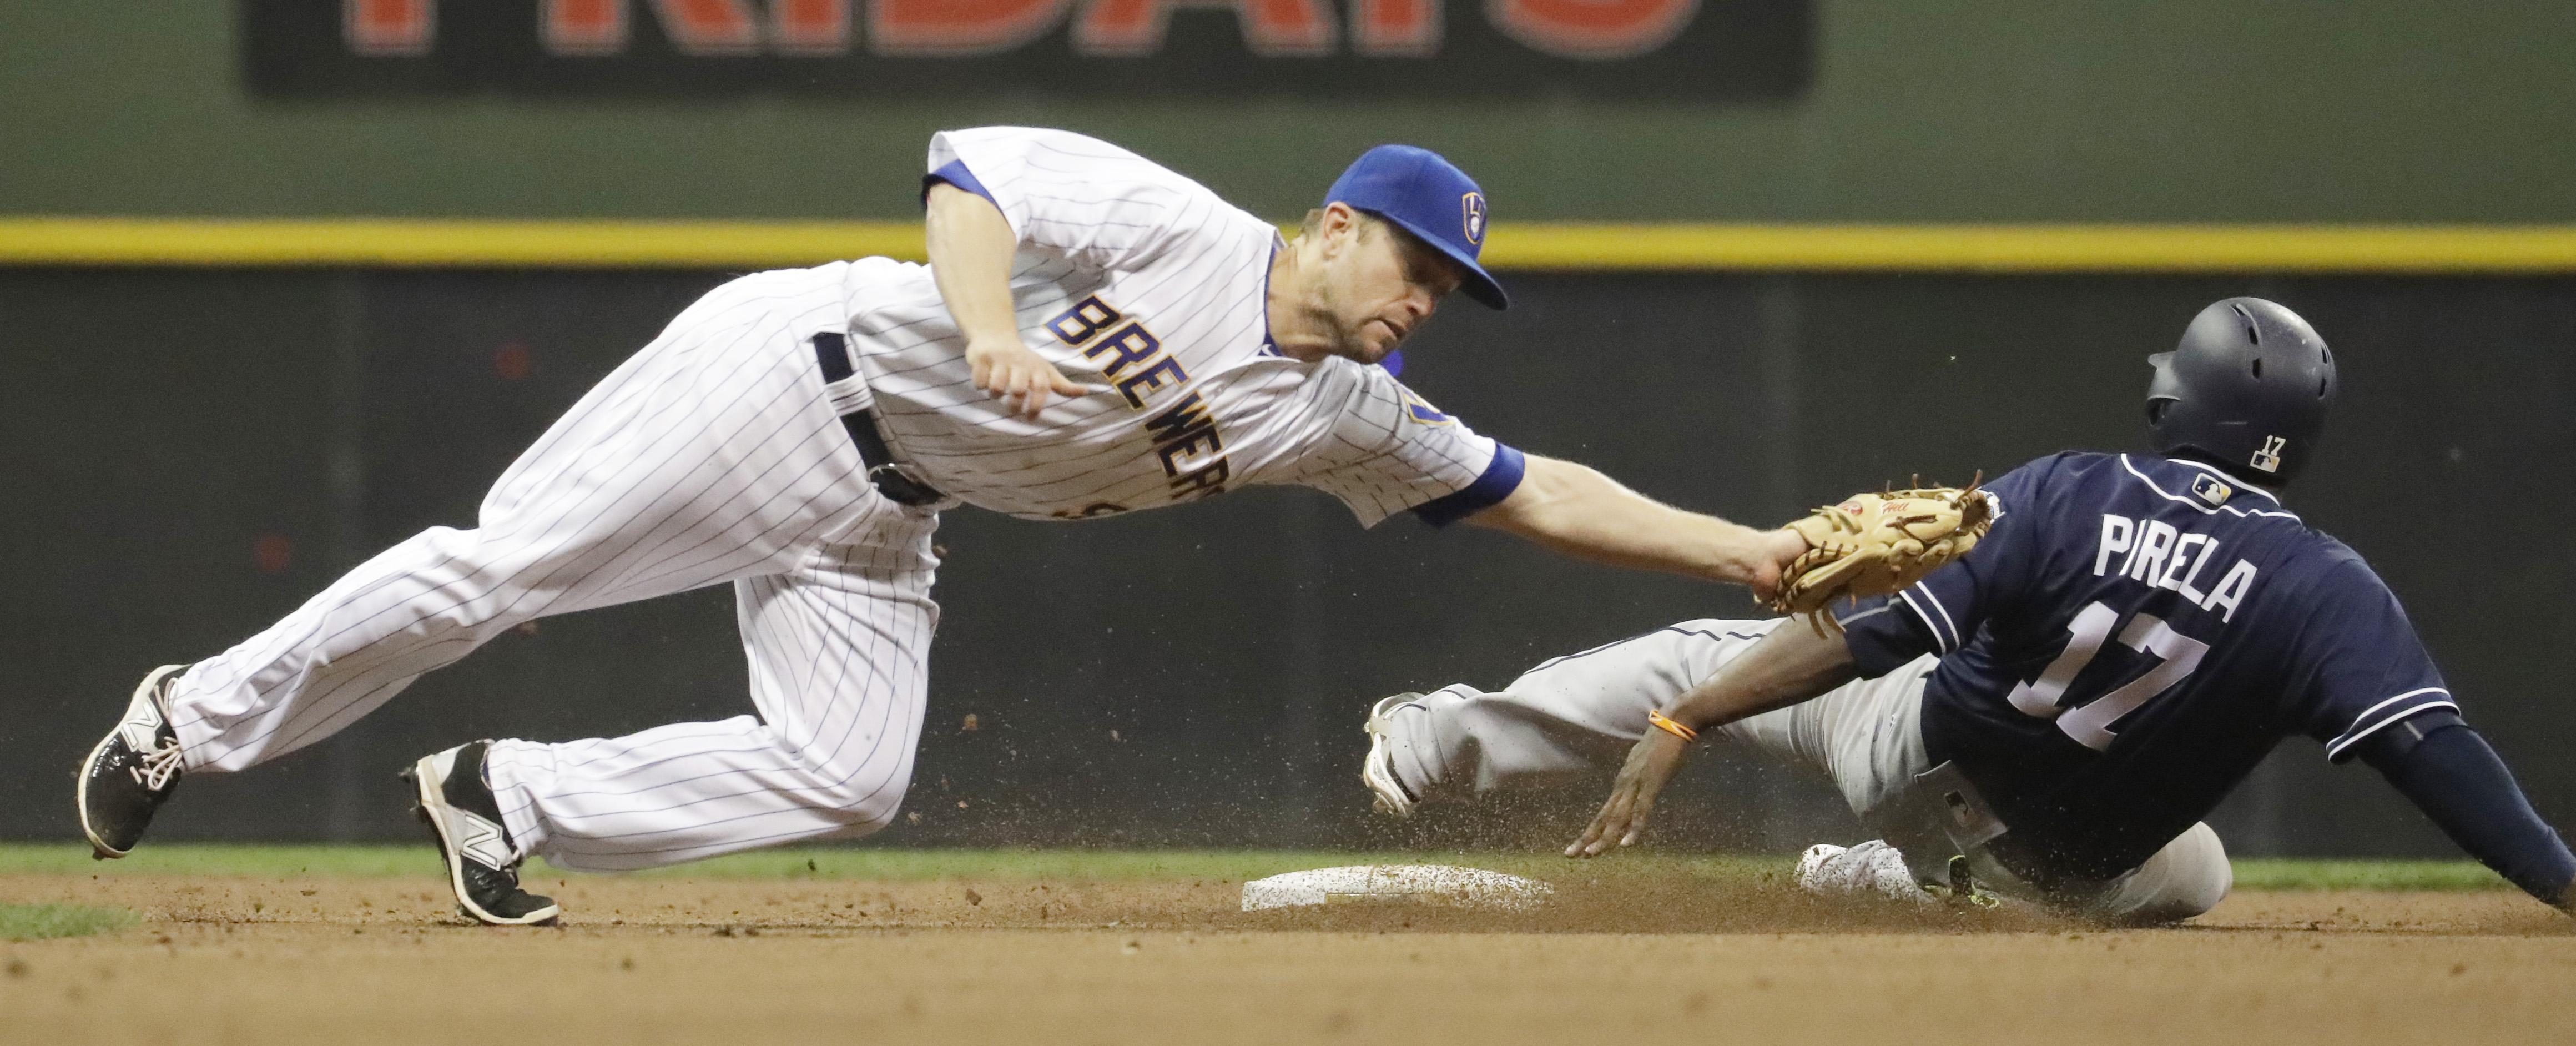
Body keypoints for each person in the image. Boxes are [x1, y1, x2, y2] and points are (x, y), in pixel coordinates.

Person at [77, 127, 1806, 925]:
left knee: (849, 770)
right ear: (1339, 226)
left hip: (882, 507)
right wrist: (986, 323)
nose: (1429, 300)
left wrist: (1749, 554)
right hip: (789, 368)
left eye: (1452, 287)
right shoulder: (1184, 229)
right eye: (1419, 266)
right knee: (507, 570)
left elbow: (1539, 488)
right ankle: (190, 714)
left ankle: (502, 794)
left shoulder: (1346, 412)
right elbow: (972, 176)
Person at [1359, 298, 2575, 924]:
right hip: (2052, 865)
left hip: (1905, 745)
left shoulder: (2066, 489)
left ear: (2181, 398)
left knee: (1694, 660)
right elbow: (2436, 758)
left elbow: (1866, 634)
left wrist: (1688, 724)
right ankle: (1896, 881)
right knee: (2194, 876)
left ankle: (1427, 743)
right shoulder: (2323, 588)